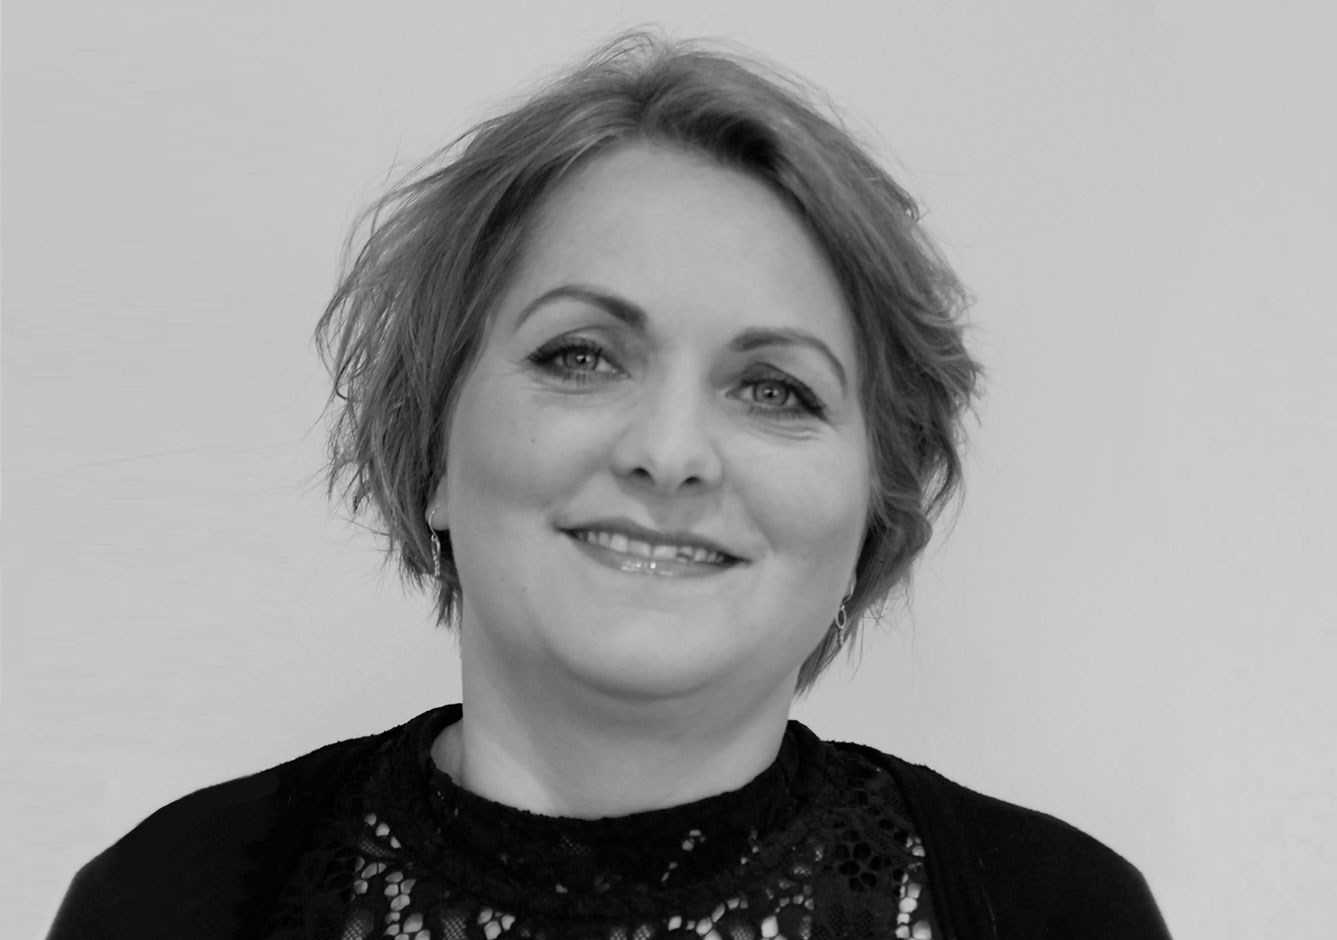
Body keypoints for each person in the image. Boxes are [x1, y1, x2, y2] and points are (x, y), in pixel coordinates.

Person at [47, 31, 1171, 940]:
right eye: (580, 356)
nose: (669, 452)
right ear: (433, 450)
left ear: (873, 511)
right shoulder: (164, 903)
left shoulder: (1060, 915)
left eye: (774, 389)